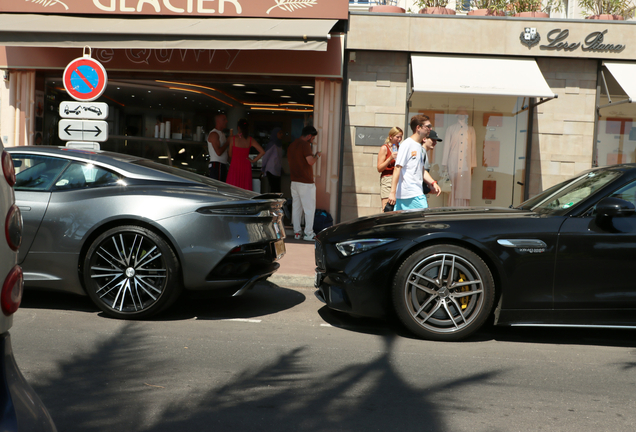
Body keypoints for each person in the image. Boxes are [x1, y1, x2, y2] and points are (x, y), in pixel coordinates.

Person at [388, 114, 441, 210]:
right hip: (411, 194)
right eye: (428, 126)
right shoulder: (407, 144)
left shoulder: (419, 146)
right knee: (423, 221)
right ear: (418, 128)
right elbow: (397, 168)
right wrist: (392, 192)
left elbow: (421, 169)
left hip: (410, 194)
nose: (430, 128)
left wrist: (433, 183)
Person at [288, 125, 320, 241]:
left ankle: (297, 232)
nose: (313, 141)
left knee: (296, 208)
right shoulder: (305, 145)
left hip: (294, 181)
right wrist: (316, 156)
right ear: (309, 136)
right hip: (306, 182)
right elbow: (310, 161)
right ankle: (308, 233)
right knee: (309, 209)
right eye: (313, 138)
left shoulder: (292, 145)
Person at [442, 108, 476, 207]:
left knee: (464, 186)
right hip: (453, 160)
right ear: (456, 116)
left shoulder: (470, 129)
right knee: (453, 185)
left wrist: (472, 165)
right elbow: (446, 147)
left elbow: (473, 148)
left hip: (466, 162)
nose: (462, 116)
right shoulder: (451, 128)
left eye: (464, 115)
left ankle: (463, 207)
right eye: (460, 115)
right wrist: (445, 165)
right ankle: (452, 206)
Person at [226, 119, 265, 190]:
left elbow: (230, 154)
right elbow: (262, 151)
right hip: (246, 166)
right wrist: (253, 160)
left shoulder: (233, 139)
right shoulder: (250, 139)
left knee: (233, 188)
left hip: (235, 166)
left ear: (238, 128)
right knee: (245, 188)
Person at [376, 126, 403, 211]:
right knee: (387, 207)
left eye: (401, 137)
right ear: (391, 137)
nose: (399, 139)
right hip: (388, 178)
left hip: (399, 179)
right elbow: (379, 168)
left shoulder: (401, 148)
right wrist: (390, 158)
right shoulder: (385, 148)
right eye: (397, 137)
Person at [206, 112, 229, 182]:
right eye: (224, 120)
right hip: (217, 164)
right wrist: (228, 142)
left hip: (223, 164)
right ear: (218, 121)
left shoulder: (222, 134)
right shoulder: (214, 134)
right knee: (218, 185)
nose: (226, 121)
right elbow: (218, 152)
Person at [261, 127, 284, 193]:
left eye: (282, 133)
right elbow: (266, 156)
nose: (281, 134)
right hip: (271, 170)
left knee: (276, 189)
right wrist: (263, 168)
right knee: (274, 189)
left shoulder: (279, 144)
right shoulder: (272, 144)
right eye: (280, 133)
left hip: (277, 170)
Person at [421, 129, 442, 194]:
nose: (435, 143)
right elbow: (422, 172)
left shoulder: (424, 152)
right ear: (424, 139)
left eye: (436, 141)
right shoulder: (421, 152)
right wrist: (433, 183)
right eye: (433, 140)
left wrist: (430, 186)